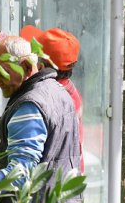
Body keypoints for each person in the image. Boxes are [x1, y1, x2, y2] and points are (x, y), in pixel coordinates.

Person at [0, 34, 81, 203]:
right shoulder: (58, 91)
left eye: (2, 73)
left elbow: (20, 174)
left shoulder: (29, 105)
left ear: (27, 67)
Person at [20, 24, 86, 173]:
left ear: (41, 67)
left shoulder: (51, 101)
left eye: (33, 57)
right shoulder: (65, 90)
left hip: (55, 181)